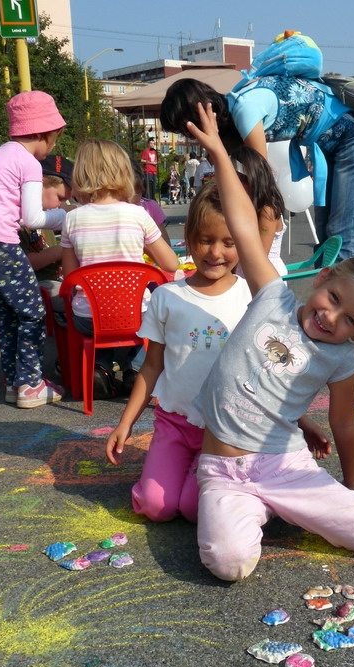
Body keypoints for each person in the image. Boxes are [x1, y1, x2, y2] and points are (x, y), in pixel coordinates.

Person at [184, 102, 354, 582]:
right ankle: (259, 510)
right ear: (324, 278)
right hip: (223, 471)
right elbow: (244, 224)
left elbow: (345, 421)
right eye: (333, 297)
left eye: (348, 319)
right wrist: (219, 158)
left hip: (284, 466)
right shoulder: (271, 295)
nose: (329, 316)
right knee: (228, 564)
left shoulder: (342, 359)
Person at [105, 182, 253, 522]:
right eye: (205, 239)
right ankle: (168, 470)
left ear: (243, 241)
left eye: (229, 242)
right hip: (175, 423)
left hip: (224, 431)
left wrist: (298, 421)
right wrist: (125, 424)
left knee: (191, 508)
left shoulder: (250, 296)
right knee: (157, 507)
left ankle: (210, 480)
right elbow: (151, 367)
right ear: (187, 236)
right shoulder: (167, 298)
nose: (216, 252)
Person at [159, 76, 354, 261]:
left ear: (201, 114)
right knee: (326, 239)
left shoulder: (245, 110)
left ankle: (345, 308)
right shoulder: (233, 121)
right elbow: (232, 176)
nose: (192, 137)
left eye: (187, 130)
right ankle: (329, 300)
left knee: (343, 236)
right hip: (328, 147)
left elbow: (261, 180)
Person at [60, 139, 178, 398]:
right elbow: (171, 263)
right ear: (124, 172)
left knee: (97, 315)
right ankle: (136, 370)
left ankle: (100, 368)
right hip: (135, 316)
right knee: (146, 313)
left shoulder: (72, 219)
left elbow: (70, 277)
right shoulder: (138, 215)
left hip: (87, 317)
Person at [0, 91, 67, 408]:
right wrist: (66, 216)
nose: (53, 145)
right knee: (34, 313)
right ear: (41, 133)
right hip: (2, 245)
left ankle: (15, 381)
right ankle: (31, 385)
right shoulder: (28, 163)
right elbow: (32, 217)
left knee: (9, 316)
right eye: (54, 137)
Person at [20, 154, 75, 317]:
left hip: (53, 280)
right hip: (34, 285)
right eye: (60, 198)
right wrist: (61, 250)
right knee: (75, 300)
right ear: (39, 185)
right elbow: (24, 263)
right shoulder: (21, 219)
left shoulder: (46, 213)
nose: (61, 204)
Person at [229, 145, 288, 276]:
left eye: (233, 179)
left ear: (249, 180)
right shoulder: (246, 205)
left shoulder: (268, 211)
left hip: (264, 274)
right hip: (245, 268)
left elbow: (260, 256)